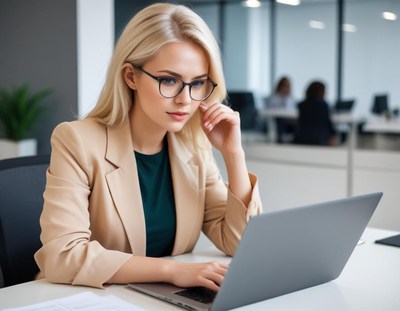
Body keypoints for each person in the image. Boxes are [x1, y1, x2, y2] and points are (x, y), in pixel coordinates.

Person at [34, 3, 262, 290]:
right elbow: (63, 255)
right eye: (169, 80)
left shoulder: (193, 147)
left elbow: (239, 243)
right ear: (131, 76)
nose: (185, 100)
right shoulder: (77, 140)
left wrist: (233, 154)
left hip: (157, 299)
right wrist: (171, 270)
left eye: (198, 83)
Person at [293, 80, 337, 146]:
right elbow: (328, 124)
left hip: (301, 136)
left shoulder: (301, 104)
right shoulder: (323, 105)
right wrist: (333, 135)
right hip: (319, 138)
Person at [264, 77, 296, 143]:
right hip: (276, 120)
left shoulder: (290, 98)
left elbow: (291, 109)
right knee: (280, 122)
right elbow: (270, 110)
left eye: (288, 86)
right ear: (280, 86)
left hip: (289, 120)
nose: (286, 88)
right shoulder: (273, 97)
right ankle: (280, 140)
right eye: (284, 85)